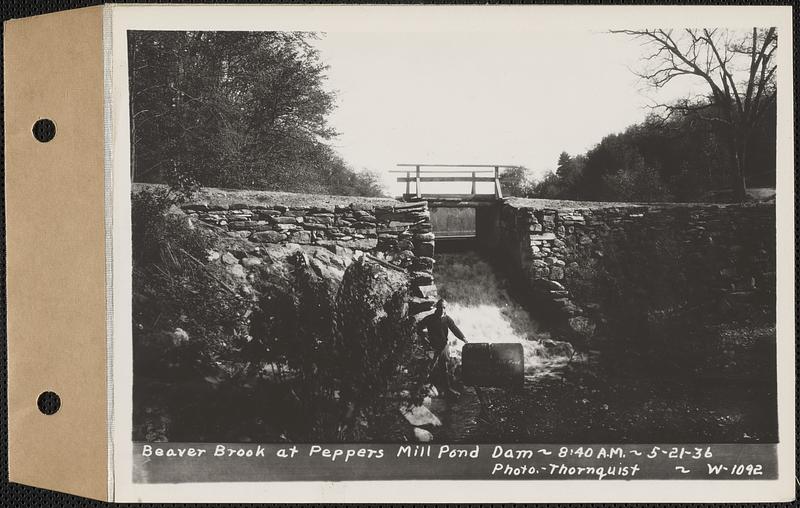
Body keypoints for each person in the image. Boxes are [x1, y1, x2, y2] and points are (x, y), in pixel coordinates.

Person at [416, 299, 468, 398]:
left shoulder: (447, 319)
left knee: (444, 368)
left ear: (446, 308)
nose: (442, 309)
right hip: (433, 347)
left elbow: (455, 329)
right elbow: (418, 328)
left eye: (444, 307)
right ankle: (418, 390)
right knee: (428, 367)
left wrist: (463, 338)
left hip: (443, 346)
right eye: (440, 307)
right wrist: (423, 338)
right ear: (437, 308)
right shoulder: (430, 318)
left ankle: (447, 389)